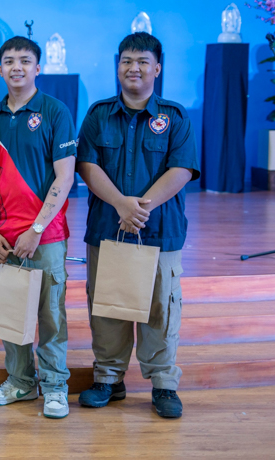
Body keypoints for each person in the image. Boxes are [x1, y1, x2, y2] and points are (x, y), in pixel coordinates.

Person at [76, 32, 200, 419]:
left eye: (143, 61)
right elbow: (87, 165)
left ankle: (163, 383)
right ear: (118, 66)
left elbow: (181, 169)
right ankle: (109, 379)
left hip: (159, 229)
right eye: (127, 60)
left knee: (161, 309)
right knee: (107, 307)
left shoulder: (175, 117)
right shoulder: (98, 115)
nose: (134, 68)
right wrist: (120, 204)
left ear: (157, 68)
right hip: (107, 226)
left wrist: (139, 208)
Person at [0, 36, 77, 419]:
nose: (16, 66)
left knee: (50, 315)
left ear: (38, 67)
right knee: (9, 311)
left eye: (24, 60)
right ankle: (20, 381)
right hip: (1, 238)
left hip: (44, 236)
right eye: (8, 61)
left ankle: (54, 386)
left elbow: (64, 178)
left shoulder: (54, 111)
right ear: (0, 69)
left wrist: (35, 228)